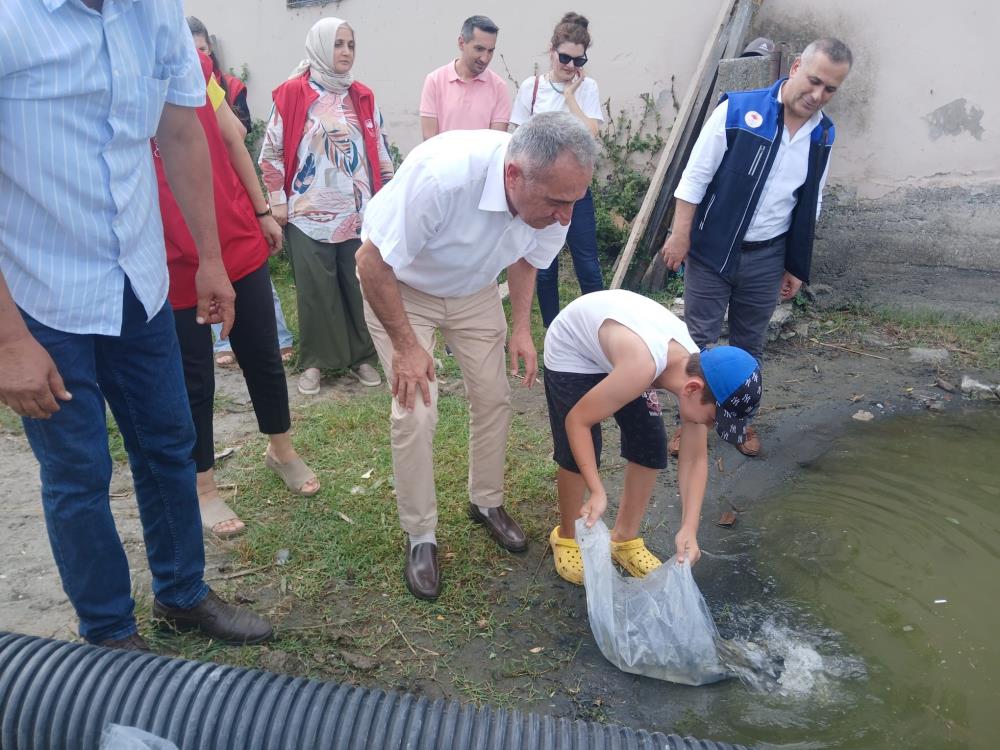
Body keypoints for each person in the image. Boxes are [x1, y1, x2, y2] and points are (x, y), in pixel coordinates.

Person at [0, 0, 271, 651]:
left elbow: (181, 131)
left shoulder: (155, 11)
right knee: (78, 472)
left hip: (139, 283)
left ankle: (182, 594)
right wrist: (8, 340)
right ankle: (110, 633)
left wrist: (211, 258)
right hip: (42, 294)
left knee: (169, 443)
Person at [356, 112, 598, 601]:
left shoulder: (557, 199)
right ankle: (421, 535)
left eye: (575, 201)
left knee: (493, 396)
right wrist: (406, 347)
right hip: (402, 288)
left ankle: (486, 503)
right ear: (514, 175)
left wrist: (522, 329)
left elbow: (529, 259)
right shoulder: (443, 177)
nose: (567, 216)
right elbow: (370, 262)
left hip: (474, 291)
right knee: (417, 412)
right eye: (557, 202)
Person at [155, 50, 320, 540]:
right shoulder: (111, 78)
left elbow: (231, 137)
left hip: (234, 237)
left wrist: (262, 209)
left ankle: (282, 450)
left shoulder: (195, 67)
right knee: (194, 378)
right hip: (170, 251)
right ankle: (203, 484)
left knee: (263, 354)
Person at [660, 38, 852, 458]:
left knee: (750, 344)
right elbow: (694, 178)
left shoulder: (823, 133)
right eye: (814, 81)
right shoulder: (737, 111)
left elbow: (811, 201)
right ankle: (688, 423)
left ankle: (739, 421)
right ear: (797, 66)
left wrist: (795, 265)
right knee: (698, 342)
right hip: (713, 250)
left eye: (830, 89)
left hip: (768, 254)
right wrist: (680, 234)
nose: (818, 95)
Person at [541, 290, 762, 584]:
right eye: (712, 419)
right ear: (692, 389)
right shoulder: (643, 366)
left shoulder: (700, 373)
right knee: (579, 452)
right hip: (574, 349)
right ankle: (567, 536)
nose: (709, 427)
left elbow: (695, 459)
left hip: (623, 352)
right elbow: (577, 421)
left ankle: (622, 539)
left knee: (650, 443)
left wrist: (689, 528)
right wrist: (597, 490)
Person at [260, 17, 392, 396]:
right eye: (337, 44)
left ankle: (362, 356)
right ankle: (316, 360)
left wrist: (387, 197)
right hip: (308, 212)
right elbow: (272, 152)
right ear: (319, 46)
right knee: (315, 289)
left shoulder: (362, 95)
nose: (346, 52)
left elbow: (379, 150)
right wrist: (277, 203)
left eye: (350, 44)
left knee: (358, 285)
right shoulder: (293, 93)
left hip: (358, 213)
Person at [186, 16, 297, 368]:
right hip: (191, 205)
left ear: (209, 53)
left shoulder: (221, 86)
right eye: (189, 52)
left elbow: (236, 131)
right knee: (204, 276)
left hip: (229, 200)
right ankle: (222, 344)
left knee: (251, 276)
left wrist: (261, 209)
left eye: (201, 51)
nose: (196, 59)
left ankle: (276, 337)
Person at [510, 12, 605, 327]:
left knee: (588, 264)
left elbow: (591, 133)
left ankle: (598, 327)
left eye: (579, 60)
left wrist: (570, 97)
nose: (571, 66)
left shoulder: (586, 87)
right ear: (551, 51)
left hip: (576, 192)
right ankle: (553, 331)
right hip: (540, 192)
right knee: (544, 265)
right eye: (565, 57)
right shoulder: (531, 87)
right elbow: (516, 138)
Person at [419, 15, 511, 140]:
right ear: (461, 43)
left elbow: (496, 144)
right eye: (479, 49)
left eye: (490, 51)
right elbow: (429, 142)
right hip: (443, 159)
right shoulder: (435, 81)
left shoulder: (499, 87)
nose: (485, 58)